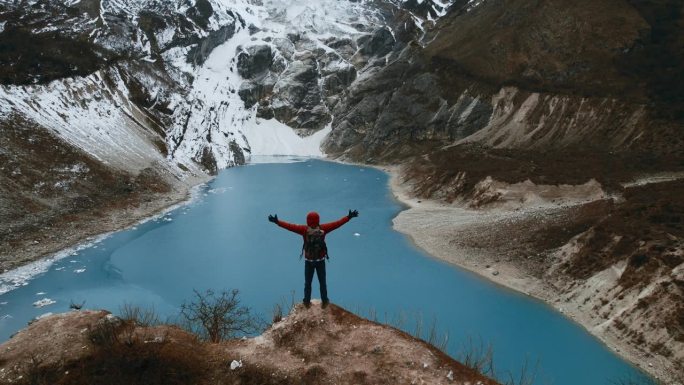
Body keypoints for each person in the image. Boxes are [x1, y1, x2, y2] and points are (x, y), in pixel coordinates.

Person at [268, 210, 359, 308]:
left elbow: (290, 227)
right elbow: (337, 224)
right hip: (320, 261)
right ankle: (325, 302)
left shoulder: (304, 230)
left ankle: (306, 302)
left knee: (308, 283)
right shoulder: (323, 229)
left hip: (309, 262)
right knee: (322, 282)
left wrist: (277, 222)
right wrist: (348, 217)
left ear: (307, 221)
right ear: (318, 220)